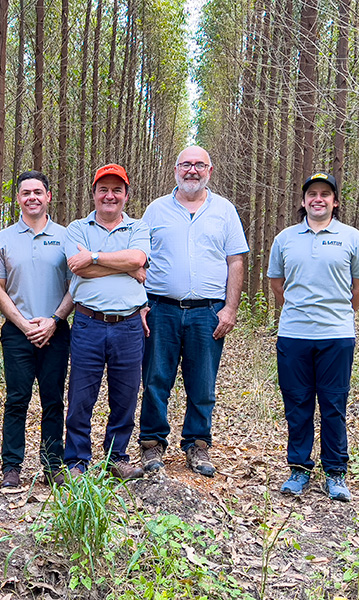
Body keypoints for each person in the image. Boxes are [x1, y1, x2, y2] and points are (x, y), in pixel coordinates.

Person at [138, 146, 248, 477]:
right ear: (175, 169)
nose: (192, 170)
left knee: (202, 383)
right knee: (156, 379)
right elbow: (138, 259)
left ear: (210, 171)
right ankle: (152, 443)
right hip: (161, 309)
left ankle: (197, 445)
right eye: (186, 164)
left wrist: (230, 308)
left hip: (207, 312)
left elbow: (236, 260)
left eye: (199, 165)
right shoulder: (156, 211)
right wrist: (141, 304)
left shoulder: (225, 211)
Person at [267, 172, 359, 502]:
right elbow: (276, 284)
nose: (318, 198)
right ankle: (299, 468)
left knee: (333, 405)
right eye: (312, 193)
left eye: (325, 194)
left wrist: (338, 313)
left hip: (337, 336)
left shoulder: (353, 239)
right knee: (297, 405)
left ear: (335, 201)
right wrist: (301, 311)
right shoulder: (285, 239)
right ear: (303, 201)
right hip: (294, 335)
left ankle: (336, 473)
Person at [63, 164, 149, 480]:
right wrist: (125, 266)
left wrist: (95, 257)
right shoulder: (76, 228)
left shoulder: (139, 228)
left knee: (125, 395)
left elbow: (137, 259)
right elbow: (78, 268)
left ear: (126, 195)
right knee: (81, 396)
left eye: (116, 190)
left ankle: (117, 457)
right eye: (103, 189)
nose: (109, 196)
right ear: (94, 193)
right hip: (88, 323)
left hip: (128, 325)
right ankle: (76, 460)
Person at [0, 171, 74, 489]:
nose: (32, 198)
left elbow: (74, 286)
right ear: (19, 199)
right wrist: (24, 324)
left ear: (48, 196)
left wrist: (53, 320)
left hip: (56, 329)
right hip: (17, 331)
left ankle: (53, 464)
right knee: (17, 399)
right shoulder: (3, 239)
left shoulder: (67, 237)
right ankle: (11, 467)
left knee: (53, 399)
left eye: (38, 192)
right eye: (26, 193)